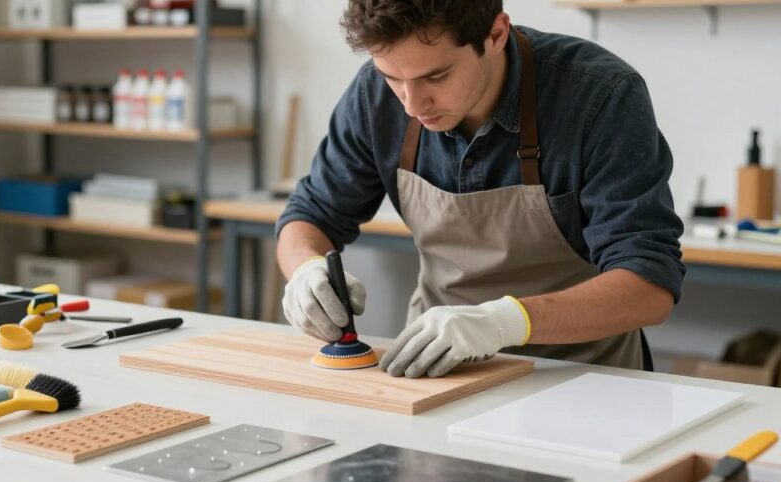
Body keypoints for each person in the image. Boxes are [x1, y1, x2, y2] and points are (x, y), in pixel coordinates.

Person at [276, 1, 684, 378]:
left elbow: (648, 287)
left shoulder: (599, 95)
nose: (411, 104)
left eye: (435, 75)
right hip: (436, 371)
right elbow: (311, 215)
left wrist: (502, 323)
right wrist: (305, 270)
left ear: (495, 35)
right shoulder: (373, 96)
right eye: (392, 77)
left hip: (583, 376)